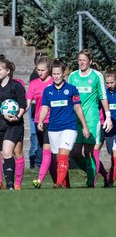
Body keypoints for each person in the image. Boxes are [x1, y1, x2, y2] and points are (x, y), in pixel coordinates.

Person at [38, 59, 90, 188]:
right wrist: (40, 120)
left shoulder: (72, 89)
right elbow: (44, 107)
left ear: (64, 73)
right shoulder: (48, 90)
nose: (56, 76)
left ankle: (59, 182)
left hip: (69, 127)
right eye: (54, 74)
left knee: (63, 155)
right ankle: (66, 185)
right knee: (58, 158)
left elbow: (78, 108)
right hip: (53, 128)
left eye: (58, 73)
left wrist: (84, 126)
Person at [68, 49, 113, 188]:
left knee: (89, 152)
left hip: (92, 119)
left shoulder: (96, 76)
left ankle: (90, 183)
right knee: (75, 153)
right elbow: (69, 97)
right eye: (79, 60)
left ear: (90, 62)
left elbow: (103, 96)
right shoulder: (72, 76)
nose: (81, 62)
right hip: (75, 120)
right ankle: (100, 174)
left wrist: (108, 116)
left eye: (84, 60)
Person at [27, 56, 57, 188]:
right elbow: (27, 103)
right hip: (38, 121)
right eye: (38, 70)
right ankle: (59, 181)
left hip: (53, 120)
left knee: (46, 149)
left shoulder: (55, 82)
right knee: (48, 154)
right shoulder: (33, 84)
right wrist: (18, 114)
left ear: (49, 69)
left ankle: (39, 180)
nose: (40, 72)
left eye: (43, 70)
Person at [0, 57, 26, 190]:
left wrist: (17, 116)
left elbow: (22, 104)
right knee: (3, 154)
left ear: (8, 71)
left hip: (14, 125)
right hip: (1, 124)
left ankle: (11, 184)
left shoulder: (16, 85)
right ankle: (4, 183)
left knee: (7, 152)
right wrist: (3, 114)